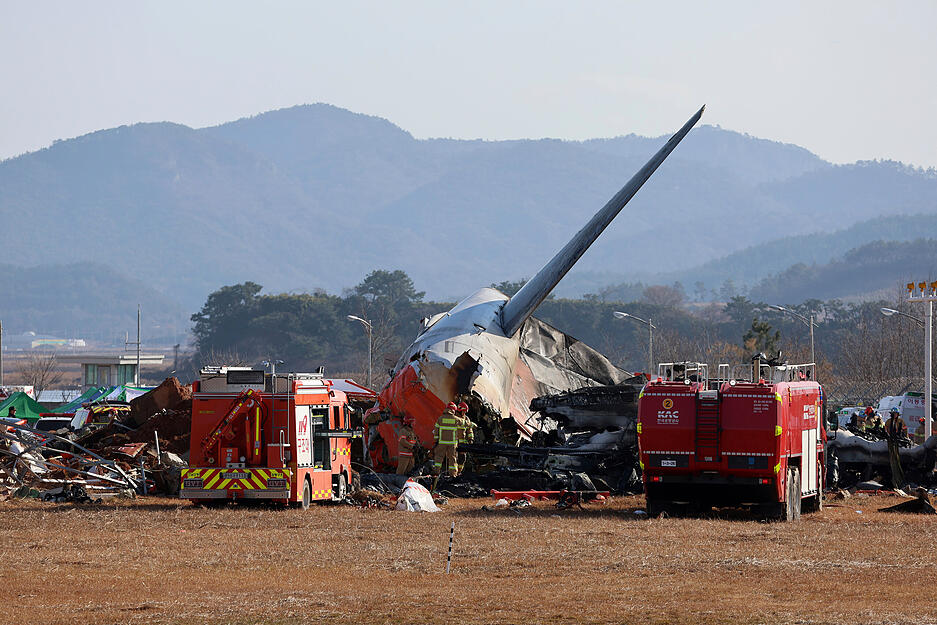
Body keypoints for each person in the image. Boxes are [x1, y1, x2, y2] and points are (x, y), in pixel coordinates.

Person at [432, 402, 460, 477]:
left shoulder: (440, 419)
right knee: (452, 459)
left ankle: (435, 473)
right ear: (453, 410)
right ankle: (453, 475)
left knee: (438, 458)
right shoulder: (456, 419)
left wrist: (436, 441)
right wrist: (471, 424)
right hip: (452, 444)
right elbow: (464, 423)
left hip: (442, 443)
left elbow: (436, 430)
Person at [885, 407, 908, 488]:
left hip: (899, 442)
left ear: (898, 414)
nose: (894, 415)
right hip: (891, 442)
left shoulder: (901, 421)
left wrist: (906, 438)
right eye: (893, 414)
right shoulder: (888, 422)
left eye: (896, 414)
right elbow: (886, 430)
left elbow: (905, 431)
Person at [455, 401, 474, 474]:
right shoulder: (454, 417)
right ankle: (453, 473)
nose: (464, 413)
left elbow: (469, 430)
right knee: (454, 458)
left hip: (463, 443)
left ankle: (459, 472)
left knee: (462, 459)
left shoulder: (466, 419)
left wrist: (470, 438)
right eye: (464, 411)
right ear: (460, 410)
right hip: (455, 442)